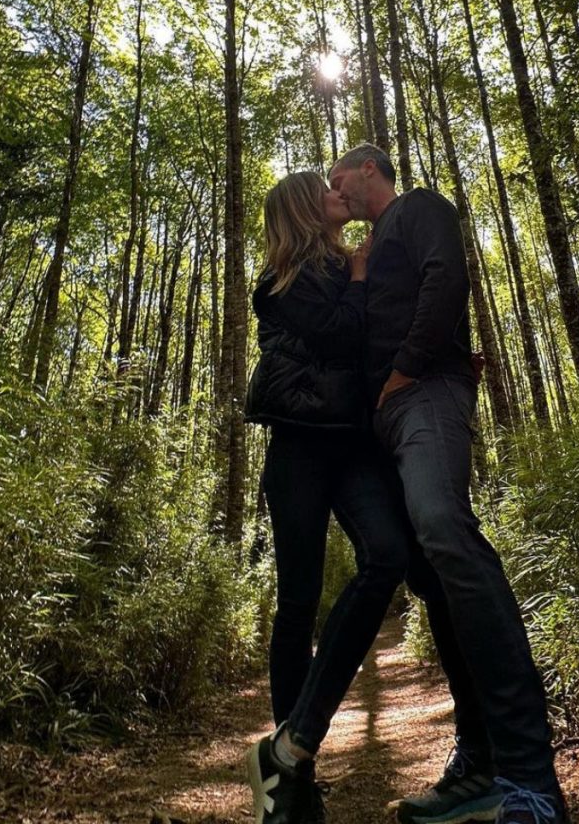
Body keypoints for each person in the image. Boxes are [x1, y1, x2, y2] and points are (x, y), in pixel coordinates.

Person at [328, 144, 569, 824]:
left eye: (336, 176)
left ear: (367, 169)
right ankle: (480, 763)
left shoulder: (419, 207)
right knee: (428, 575)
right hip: (385, 418)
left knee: (444, 529)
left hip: (425, 392)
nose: (333, 188)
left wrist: (409, 368)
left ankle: (531, 782)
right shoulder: (367, 253)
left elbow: (446, 278)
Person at [244, 170, 409, 824]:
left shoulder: (352, 265)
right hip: (300, 447)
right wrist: (363, 274)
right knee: (298, 602)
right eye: (323, 188)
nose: (337, 190)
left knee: (387, 557)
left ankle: (289, 743)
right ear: (303, 209)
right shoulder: (279, 283)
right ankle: (293, 781)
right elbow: (342, 333)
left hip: (356, 445)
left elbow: (379, 333)